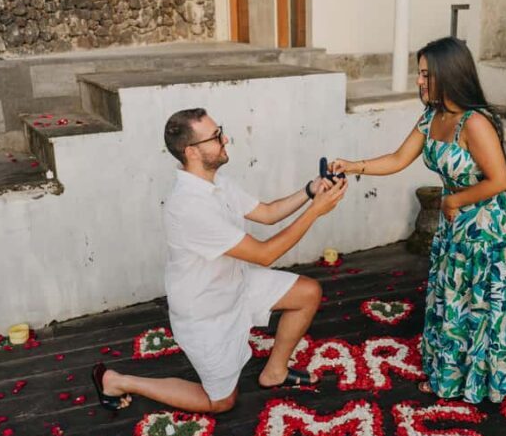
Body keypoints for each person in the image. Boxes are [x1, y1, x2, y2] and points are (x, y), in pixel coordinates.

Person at [92, 108, 348, 413]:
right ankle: (119, 380)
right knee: (221, 402)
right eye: (216, 136)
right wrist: (315, 212)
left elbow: (266, 213)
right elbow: (265, 255)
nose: (225, 138)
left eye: (220, 131)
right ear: (192, 152)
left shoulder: (216, 182)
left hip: (236, 285)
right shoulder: (188, 207)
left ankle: (275, 372)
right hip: (206, 314)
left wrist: (310, 191)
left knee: (308, 292)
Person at [330, 37, 506, 404]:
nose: (420, 82)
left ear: (449, 73)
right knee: (456, 301)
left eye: (426, 74)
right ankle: (455, 374)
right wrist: (353, 165)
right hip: (455, 225)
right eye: (419, 74)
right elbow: (396, 159)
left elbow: (499, 181)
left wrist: (452, 199)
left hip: (486, 230)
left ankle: (492, 379)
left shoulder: (475, 123)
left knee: (485, 306)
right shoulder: (432, 117)